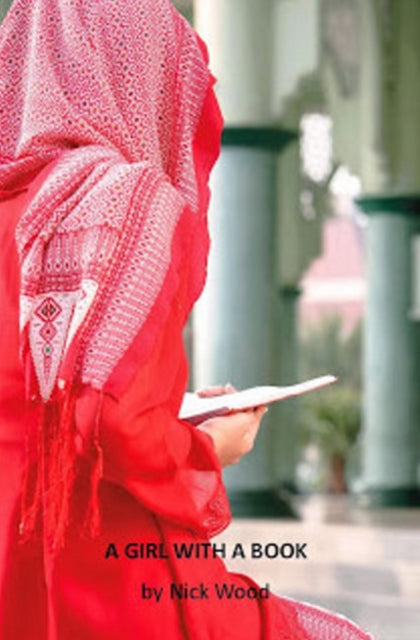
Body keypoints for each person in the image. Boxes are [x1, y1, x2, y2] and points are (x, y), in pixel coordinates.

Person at [0, 0, 374, 638]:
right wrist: (207, 445)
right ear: (141, 74)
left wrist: (168, 408)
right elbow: (112, 422)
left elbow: (54, 398)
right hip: (106, 571)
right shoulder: (125, 197)